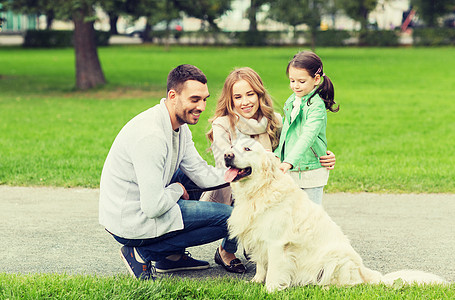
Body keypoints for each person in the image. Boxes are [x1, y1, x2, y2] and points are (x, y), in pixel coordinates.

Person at [99, 64, 246, 281]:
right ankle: (141, 254)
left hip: (147, 202)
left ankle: (171, 258)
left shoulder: (179, 125)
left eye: (205, 99)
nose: (202, 106)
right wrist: (176, 190)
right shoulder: (151, 136)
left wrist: (236, 173)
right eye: (195, 99)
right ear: (173, 95)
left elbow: (198, 172)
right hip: (130, 220)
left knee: (187, 177)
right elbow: (153, 207)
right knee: (232, 220)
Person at [201, 67, 336, 206]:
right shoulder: (222, 124)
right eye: (238, 97)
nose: (245, 102)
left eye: (250, 94)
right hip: (231, 198)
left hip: (268, 198)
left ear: (259, 94)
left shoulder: (274, 121)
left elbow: (291, 148)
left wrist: (322, 154)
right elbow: (223, 163)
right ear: (230, 100)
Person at [274, 51, 339, 205]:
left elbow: (307, 137)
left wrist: (289, 161)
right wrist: (278, 155)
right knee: (292, 213)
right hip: (292, 170)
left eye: (301, 81)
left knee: (311, 215)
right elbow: (286, 132)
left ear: (316, 79)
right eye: (292, 80)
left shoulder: (316, 106)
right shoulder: (292, 100)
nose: (295, 86)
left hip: (311, 170)